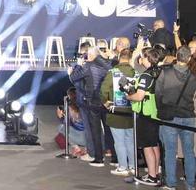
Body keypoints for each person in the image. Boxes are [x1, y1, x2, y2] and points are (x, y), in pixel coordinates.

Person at [155, 45, 196, 189]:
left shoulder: (165, 73)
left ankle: (171, 183)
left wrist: (161, 110)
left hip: (170, 116)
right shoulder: (193, 77)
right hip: (188, 115)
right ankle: (190, 184)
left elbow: (158, 94)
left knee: (170, 152)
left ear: (176, 56)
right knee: (189, 152)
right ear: (189, 58)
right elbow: (192, 95)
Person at [69, 43, 110, 167]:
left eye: (84, 55)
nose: (83, 57)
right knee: (105, 129)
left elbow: (76, 80)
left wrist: (75, 69)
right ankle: (110, 155)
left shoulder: (87, 66)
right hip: (104, 100)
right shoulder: (105, 65)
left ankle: (95, 155)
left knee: (92, 130)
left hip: (90, 101)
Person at [129, 46, 163, 186]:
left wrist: (128, 96)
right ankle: (155, 172)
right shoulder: (159, 72)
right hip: (156, 112)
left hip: (146, 113)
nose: (140, 59)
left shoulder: (146, 75)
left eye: (142, 56)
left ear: (147, 58)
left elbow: (139, 96)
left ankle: (152, 176)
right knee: (154, 144)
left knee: (147, 145)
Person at [100, 48, 136, 177]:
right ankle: (133, 166)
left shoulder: (113, 72)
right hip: (132, 111)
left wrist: (105, 102)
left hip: (116, 111)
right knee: (130, 141)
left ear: (120, 57)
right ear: (130, 59)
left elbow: (103, 89)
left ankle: (122, 166)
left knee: (119, 141)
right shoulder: (135, 72)